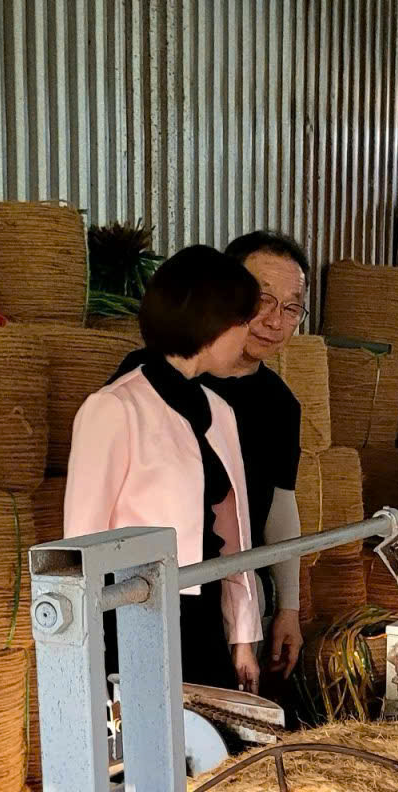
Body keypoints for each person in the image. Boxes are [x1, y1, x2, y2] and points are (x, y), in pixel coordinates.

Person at [66, 245, 266, 692]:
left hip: (202, 613)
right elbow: (82, 542)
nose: (248, 335)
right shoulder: (113, 408)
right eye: (244, 322)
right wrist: (88, 659)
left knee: (215, 752)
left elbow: (233, 537)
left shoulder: (220, 411)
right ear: (212, 323)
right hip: (133, 615)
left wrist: (242, 638)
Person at [114, 230, 309, 676]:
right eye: (262, 299)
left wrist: (288, 608)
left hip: (234, 604)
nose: (274, 321)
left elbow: (279, 507)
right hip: (145, 595)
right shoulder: (145, 379)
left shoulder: (281, 405)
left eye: (291, 306)